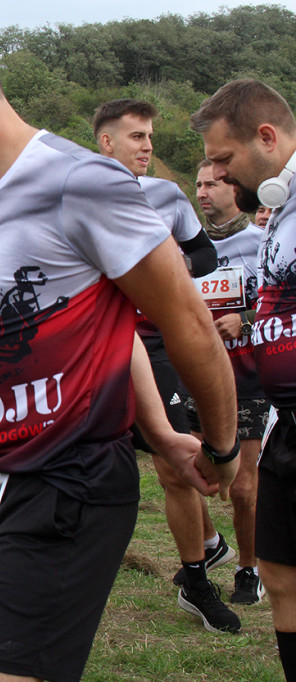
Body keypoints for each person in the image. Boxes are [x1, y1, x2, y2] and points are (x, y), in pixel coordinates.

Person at [0, 9, 238, 680]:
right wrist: (156, 425)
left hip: (67, 485)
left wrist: (221, 447)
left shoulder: (79, 181)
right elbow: (100, 320)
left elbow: (187, 323)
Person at [95, 98, 239, 632]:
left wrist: (172, 262)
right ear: (106, 142)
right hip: (96, 343)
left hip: (154, 342)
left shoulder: (165, 195)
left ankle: (197, 580)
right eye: (136, 137)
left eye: (150, 137)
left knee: (173, 465)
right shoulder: (77, 191)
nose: (148, 147)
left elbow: (206, 256)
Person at [191, 77, 296, 680]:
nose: (224, 177)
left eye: (226, 161)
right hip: (286, 426)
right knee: (282, 573)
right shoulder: (277, 212)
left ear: (267, 136)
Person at [190, 158, 267, 605]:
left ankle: (248, 569)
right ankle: (212, 545)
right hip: (197, 376)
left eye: (213, 184)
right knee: (185, 474)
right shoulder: (189, 248)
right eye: (198, 185)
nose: (202, 192)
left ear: (234, 189)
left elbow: (285, 305)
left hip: (247, 377)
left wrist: (246, 318)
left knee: (241, 486)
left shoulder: (261, 242)